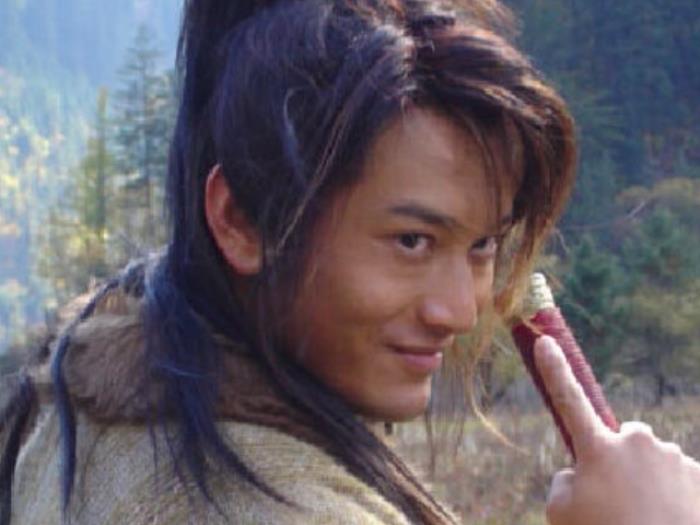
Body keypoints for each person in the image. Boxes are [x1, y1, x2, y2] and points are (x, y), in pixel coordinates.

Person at [1, 0, 699, 523]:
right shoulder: (270, 506)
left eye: (482, 245)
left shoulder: (91, 384)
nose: (460, 310)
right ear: (241, 220)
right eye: (411, 242)